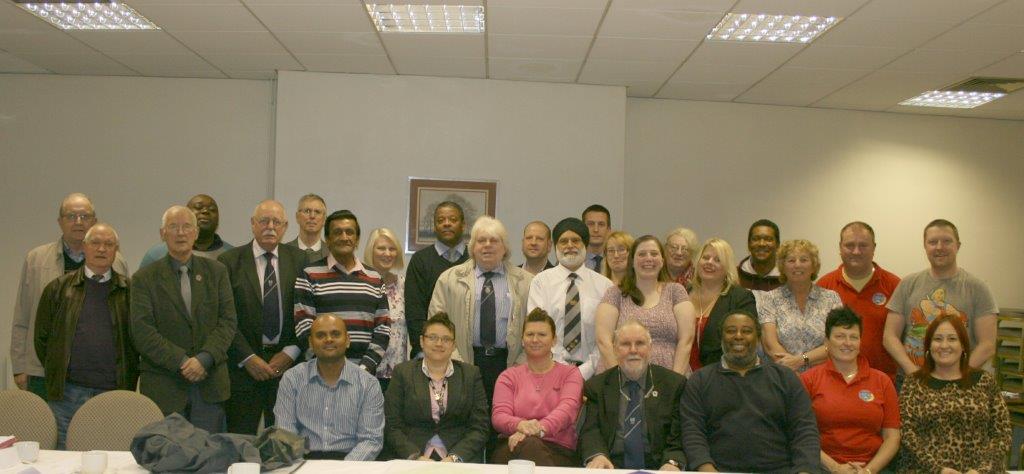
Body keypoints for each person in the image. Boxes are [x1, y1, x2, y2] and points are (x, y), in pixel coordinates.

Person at [130, 205, 237, 433]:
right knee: (166, 462)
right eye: (173, 227)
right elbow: (142, 331)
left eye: (187, 226)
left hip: (209, 386)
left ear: (196, 233)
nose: (180, 233)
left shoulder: (217, 272)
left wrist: (204, 359)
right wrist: (182, 361)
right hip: (165, 386)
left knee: (211, 459)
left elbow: (227, 322)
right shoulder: (143, 279)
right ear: (162, 234)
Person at [11, 193, 128, 398]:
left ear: (94, 221)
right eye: (71, 216)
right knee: (49, 429)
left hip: (102, 378)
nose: (78, 222)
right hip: (42, 370)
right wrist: (19, 366)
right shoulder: (36, 259)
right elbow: (23, 316)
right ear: (60, 222)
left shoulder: (117, 262)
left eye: (85, 216)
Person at [33, 223, 137, 449]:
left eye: (109, 244)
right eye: (96, 243)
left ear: (116, 250)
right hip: (67, 394)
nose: (102, 249)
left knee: (112, 459)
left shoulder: (129, 291)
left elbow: (137, 342)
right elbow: (42, 339)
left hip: (114, 392)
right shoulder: (58, 288)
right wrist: (58, 371)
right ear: (85, 247)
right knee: (63, 459)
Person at [681, 310, 820, 473]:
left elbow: (804, 430)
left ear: (759, 339)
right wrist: (707, 470)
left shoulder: (785, 378)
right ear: (721, 338)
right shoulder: (699, 380)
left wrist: (804, 470)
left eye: (746, 331)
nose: (738, 336)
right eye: (731, 331)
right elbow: (692, 433)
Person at [217, 200, 306, 434]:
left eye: (276, 222)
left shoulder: (301, 262)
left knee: (284, 443)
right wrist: (248, 357)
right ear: (252, 224)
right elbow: (224, 319)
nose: (270, 226)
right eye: (264, 220)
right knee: (239, 441)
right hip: (243, 371)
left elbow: (308, 313)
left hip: (288, 369)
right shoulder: (228, 263)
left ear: (286, 226)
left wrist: (291, 352)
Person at [428, 215, 531, 401]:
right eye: (481, 240)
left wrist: (521, 363)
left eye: (494, 240)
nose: (487, 245)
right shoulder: (449, 279)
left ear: (505, 248)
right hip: (463, 361)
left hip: (509, 363)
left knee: (503, 419)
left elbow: (535, 327)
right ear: (472, 247)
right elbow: (436, 325)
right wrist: (457, 362)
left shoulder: (526, 282)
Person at [895, 314, 1010, 472]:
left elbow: (1002, 434)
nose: (944, 345)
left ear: (963, 345)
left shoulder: (985, 381)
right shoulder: (913, 383)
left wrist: (981, 470)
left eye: (952, 339)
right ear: (928, 346)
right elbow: (906, 433)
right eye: (938, 339)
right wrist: (938, 469)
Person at [884, 219, 998, 376]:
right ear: (925, 246)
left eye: (946, 241)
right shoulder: (908, 284)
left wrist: (955, 376)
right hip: (912, 380)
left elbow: (987, 345)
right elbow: (889, 337)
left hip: (962, 383)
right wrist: (913, 372)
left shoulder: (978, 288)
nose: (939, 247)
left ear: (958, 245)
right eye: (932, 242)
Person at [800, 307, 900, 474]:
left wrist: (868, 470)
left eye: (853, 337)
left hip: (873, 468)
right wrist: (835, 468)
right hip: (822, 467)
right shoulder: (809, 380)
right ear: (826, 342)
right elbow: (800, 435)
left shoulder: (882, 381)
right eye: (839, 336)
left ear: (860, 342)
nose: (847, 343)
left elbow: (892, 438)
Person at [293, 210, 391, 374]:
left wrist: (365, 368)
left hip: (364, 375)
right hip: (321, 374)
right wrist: (326, 367)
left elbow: (383, 329)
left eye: (349, 232)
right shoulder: (309, 274)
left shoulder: (375, 278)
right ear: (328, 240)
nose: (344, 237)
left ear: (357, 240)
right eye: (337, 232)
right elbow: (304, 327)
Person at [274, 314, 384, 460]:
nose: (328, 340)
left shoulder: (368, 384)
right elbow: (285, 434)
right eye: (320, 335)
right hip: (304, 462)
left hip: (351, 464)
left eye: (335, 334)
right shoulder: (292, 379)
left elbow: (371, 440)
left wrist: (343, 470)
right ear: (311, 343)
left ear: (347, 341)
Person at [579, 319, 685, 471]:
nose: (633, 350)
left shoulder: (673, 385)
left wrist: (672, 462)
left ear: (650, 348)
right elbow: (591, 430)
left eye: (640, 343)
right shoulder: (597, 386)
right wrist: (598, 455)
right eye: (625, 344)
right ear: (615, 349)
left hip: (659, 467)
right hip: (611, 466)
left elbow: (678, 434)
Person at [383, 313, 489, 463]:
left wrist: (455, 458)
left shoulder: (471, 375)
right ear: (421, 341)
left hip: (457, 456)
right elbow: (392, 425)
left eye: (446, 339)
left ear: (454, 345)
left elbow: (480, 427)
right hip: (413, 456)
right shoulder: (402, 373)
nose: (439, 343)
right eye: (432, 337)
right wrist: (415, 457)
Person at [490, 309, 583, 466]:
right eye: (530, 334)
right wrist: (521, 426)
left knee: (530, 445)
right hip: (512, 446)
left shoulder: (571, 374)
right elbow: (499, 416)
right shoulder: (508, 376)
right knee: (527, 445)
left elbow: (567, 411)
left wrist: (539, 429)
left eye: (542, 334)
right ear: (522, 339)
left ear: (554, 340)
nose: (535, 339)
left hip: (557, 450)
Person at [595, 235, 696, 376]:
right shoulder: (615, 294)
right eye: (642, 254)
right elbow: (603, 341)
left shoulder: (676, 291)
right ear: (632, 261)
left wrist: (675, 382)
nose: (648, 258)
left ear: (662, 261)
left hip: (669, 375)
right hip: (619, 375)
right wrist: (619, 380)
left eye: (654, 254)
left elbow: (686, 341)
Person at [527, 218, 614, 380]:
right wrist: (560, 368)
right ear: (555, 247)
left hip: (593, 375)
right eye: (563, 241)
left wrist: (585, 371)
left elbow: (607, 335)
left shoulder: (605, 286)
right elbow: (537, 331)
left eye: (576, 240)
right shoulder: (540, 282)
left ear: (586, 245)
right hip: (548, 371)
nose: (569, 245)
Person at [817, 222, 900, 379]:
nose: (856, 251)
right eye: (849, 245)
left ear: (874, 248)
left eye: (863, 245)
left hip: (884, 381)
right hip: (834, 381)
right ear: (840, 247)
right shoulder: (824, 286)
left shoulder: (894, 286)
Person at [757, 239, 842, 372]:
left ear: (814, 266)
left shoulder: (831, 299)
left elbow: (836, 342)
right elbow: (770, 344)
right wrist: (793, 373)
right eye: (791, 261)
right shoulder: (769, 299)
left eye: (804, 260)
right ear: (782, 267)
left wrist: (801, 360)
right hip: (782, 376)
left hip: (823, 377)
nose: (797, 265)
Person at [406, 201, 469, 359]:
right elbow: (415, 310)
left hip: (469, 352)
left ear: (463, 225)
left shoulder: (474, 260)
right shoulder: (420, 260)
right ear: (434, 226)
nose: (446, 224)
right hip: (429, 351)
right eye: (440, 220)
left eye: (453, 220)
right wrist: (425, 348)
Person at [688, 238, 756, 369]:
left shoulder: (740, 298)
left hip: (722, 375)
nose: (709, 263)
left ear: (727, 267)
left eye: (717, 260)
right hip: (681, 376)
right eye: (706, 257)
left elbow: (745, 343)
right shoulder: (682, 294)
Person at [138, 194, 234, 270]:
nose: (205, 211)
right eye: (198, 207)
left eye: (212, 209)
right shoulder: (156, 255)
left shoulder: (232, 256)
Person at [366, 227, 409, 385]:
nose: (387, 253)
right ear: (371, 251)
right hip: (367, 369)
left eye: (392, 249)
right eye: (381, 248)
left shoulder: (404, 285)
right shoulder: (362, 283)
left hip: (397, 374)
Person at [737, 218, 782, 291]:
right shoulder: (735, 277)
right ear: (748, 244)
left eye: (768, 239)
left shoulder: (788, 278)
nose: (762, 244)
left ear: (777, 245)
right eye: (756, 239)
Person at [285, 193, 328, 263]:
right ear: (297, 217)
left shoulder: (332, 253)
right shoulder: (283, 252)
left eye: (317, 212)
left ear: (324, 219)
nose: (312, 216)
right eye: (307, 211)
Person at [582, 204, 611, 271]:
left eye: (601, 224)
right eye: (591, 224)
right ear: (582, 229)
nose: (596, 229)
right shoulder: (573, 262)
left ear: (609, 230)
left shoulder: (616, 262)